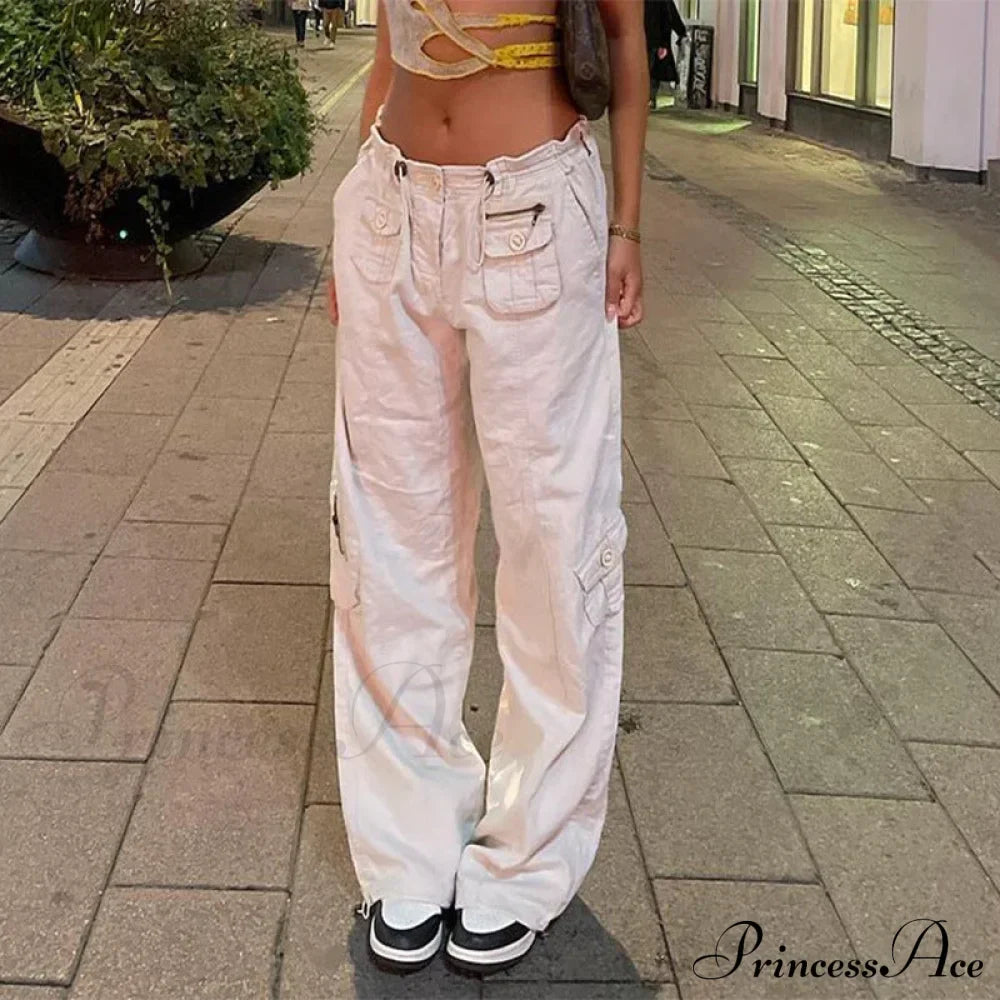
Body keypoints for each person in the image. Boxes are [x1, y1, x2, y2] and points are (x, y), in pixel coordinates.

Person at [327, 0, 645, 978]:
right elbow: (391, 49)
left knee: (554, 543)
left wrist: (628, 225)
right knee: (389, 541)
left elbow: (625, 36)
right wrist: (353, 201)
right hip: (388, 209)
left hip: (536, 209)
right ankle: (408, 850)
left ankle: (526, 857)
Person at [644, 0, 687, 109]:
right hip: (658, 41)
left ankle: (647, 98)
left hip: (644, 39)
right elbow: (672, 16)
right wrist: (681, 32)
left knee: (648, 69)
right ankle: (649, 98)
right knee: (654, 71)